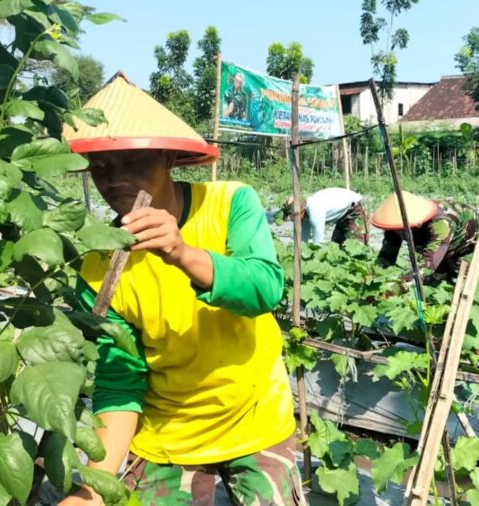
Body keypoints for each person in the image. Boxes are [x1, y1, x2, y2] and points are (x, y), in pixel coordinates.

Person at [61, 73, 303, 506]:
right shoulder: (100, 267)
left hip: (254, 418)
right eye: (101, 168)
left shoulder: (230, 203)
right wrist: (90, 492)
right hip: (167, 437)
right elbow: (120, 382)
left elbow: (265, 288)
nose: (114, 180)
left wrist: (181, 252)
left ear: (168, 157)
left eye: (132, 162)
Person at [371, 191, 479, 283]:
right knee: (432, 283)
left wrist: (401, 284)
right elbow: (387, 255)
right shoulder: (395, 222)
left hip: (467, 246)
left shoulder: (440, 223)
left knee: (462, 283)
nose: (396, 231)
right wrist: (376, 277)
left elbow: (429, 263)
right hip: (437, 244)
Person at [282, 187, 368, 245]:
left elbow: (318, 242)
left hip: (355, 207)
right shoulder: (304, 215)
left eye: (293, 217)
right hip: (341, 213)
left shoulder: (315, 212)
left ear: (300, 211)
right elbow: (302, 240)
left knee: (358, 245)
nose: (293, 220)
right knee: (337, 246)